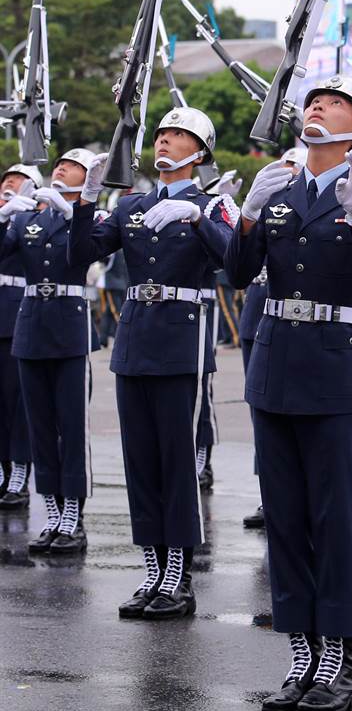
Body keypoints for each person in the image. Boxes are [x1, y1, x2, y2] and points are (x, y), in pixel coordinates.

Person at [224, 75, 352, 711]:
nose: (316, 107)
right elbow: (240, 273)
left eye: (333, 101)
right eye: (312, 101)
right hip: (275, 362)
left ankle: (339, 661)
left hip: (334, 367)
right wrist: (247, 215)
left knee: (334, 520)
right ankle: (302, 653)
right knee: (286, 518)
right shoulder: (278, 186)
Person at [69, 107, 234, 619]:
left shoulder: (214, 204)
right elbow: (83, 254)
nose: (165, 142)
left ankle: (178, 575)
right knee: (141, 462)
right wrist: (85, 201)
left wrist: (197, 216)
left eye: (179, 136)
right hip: (137, 339)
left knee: (176, 461)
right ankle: (153, 569)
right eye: (162, 134)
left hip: (182, 340)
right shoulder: (131, 204)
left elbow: (233, 258)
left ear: (200, 153)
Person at [0, 149, 100, 552]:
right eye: (59, 163)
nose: (60, 168)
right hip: (30, 327)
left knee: (70, 428)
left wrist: (76, 213)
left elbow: (85, 252)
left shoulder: (93, 217)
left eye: (71, 165)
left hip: (69, 329)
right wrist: (3, 216)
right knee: (40, 426)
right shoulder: (28, 218)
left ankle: (73, 513)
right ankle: (53, 511)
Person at [239, 146, 306, 531]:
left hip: (302, 322)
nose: (286, 173)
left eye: (292, 167)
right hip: (260, 318)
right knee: (263, 418)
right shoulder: (270, 204)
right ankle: (269, 492)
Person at [0, 164, 42, 510]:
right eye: (7, 179)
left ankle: (18, 472)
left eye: (19, 180)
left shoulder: (31, 220)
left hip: (16, 316)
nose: (10, 184)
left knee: (17, 404)